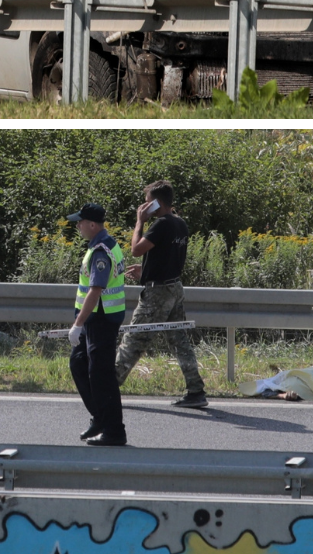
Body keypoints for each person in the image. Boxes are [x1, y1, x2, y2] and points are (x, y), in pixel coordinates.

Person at [115, 180, 208, 409]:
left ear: (157, 203)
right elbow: (165, 256)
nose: (144, 207)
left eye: (147, 203)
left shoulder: (161, 224)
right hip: (174, 288)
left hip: (158, 294)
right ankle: (196, 390)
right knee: (179, 340)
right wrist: (145, 272)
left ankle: (107, 388)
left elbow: (136, 249)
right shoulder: (180, 224)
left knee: (134, 339)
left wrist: (140, 222)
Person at [67, 203, 127, 446]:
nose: (78, 226)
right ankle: (100, 418)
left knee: (101, 375)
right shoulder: (101, 245)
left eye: (80, 222)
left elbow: (95, 291)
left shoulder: (101, 251)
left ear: (92, 225)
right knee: (79, 363)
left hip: (101, 319)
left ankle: (114, 431)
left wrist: (78, 324)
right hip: (96, 319)